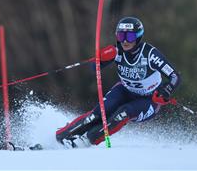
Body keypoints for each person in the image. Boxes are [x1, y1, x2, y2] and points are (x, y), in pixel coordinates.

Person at [56, 16, 181, 148]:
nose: (125, 41)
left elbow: (175, 77)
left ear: (138, 37)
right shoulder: (117, 51)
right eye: (121, 36)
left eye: (130, 37)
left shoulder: (150, 54)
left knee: (123, 113)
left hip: (148, 99)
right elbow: (94, 67)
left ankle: (86, 141)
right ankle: (61, 137)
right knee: (98, 114)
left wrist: (166, 90)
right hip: (124, 91)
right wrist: (100, 58)